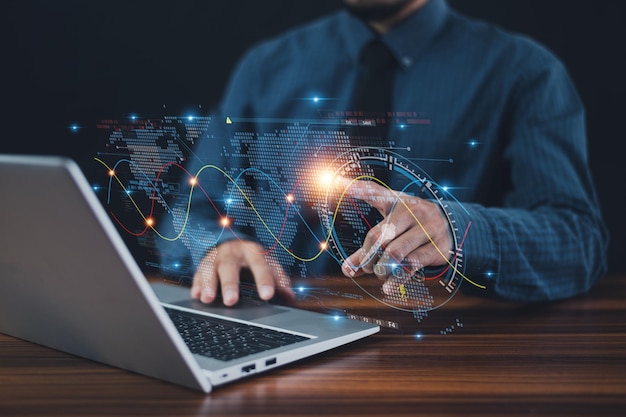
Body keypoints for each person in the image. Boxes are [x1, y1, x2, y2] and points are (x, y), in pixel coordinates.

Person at [167, 0, 608, 307]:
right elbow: (190, 212)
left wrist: (457, 230)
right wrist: (217, 247)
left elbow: (579, 241)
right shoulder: (266, 68)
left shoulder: (524, 72)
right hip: (284, 335)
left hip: (449, 354)